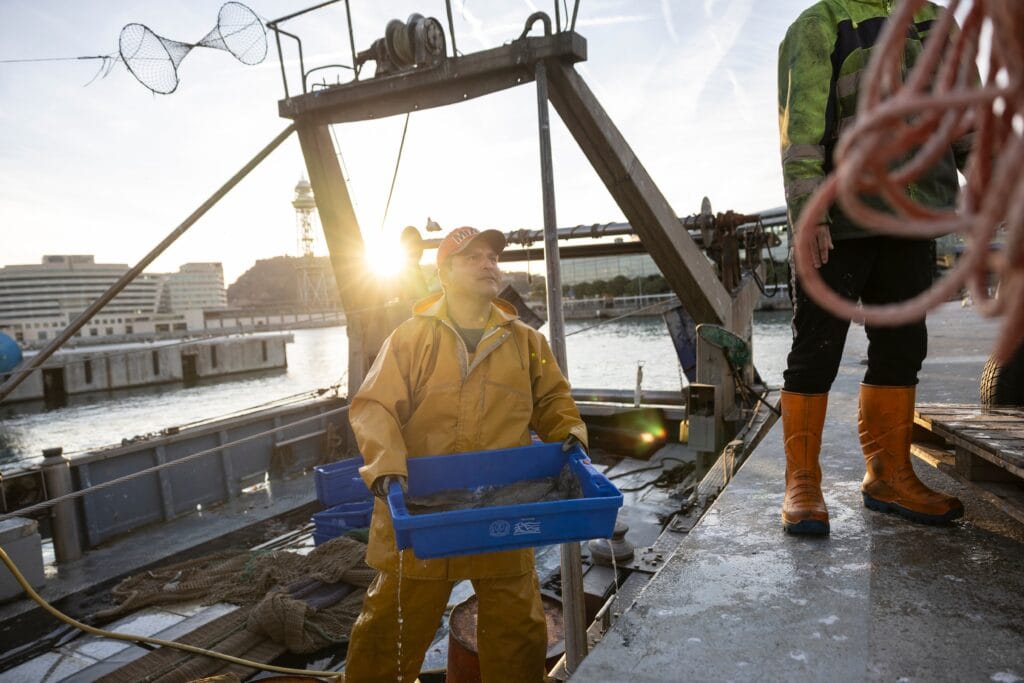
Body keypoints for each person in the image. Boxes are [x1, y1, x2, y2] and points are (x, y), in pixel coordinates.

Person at [344, 226, 588, 682]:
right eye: (472, 257)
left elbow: (554, 400)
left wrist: (571, 433)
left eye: (492, 257)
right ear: (444, 273)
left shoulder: (527, 342)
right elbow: (374, 407)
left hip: (501, 508)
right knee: (388, 632)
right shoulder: (409, 338)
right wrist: (386, 467)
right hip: (421, 512)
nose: (488, 264)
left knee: (518, 630)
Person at [777, 0, 970, 535]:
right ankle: (802, 483)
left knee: (903, 348)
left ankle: (888, 476)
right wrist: (808, 213)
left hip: (913, 216)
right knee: (816, 350)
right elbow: (801, 132)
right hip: (840, 219)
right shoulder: (820, 24)